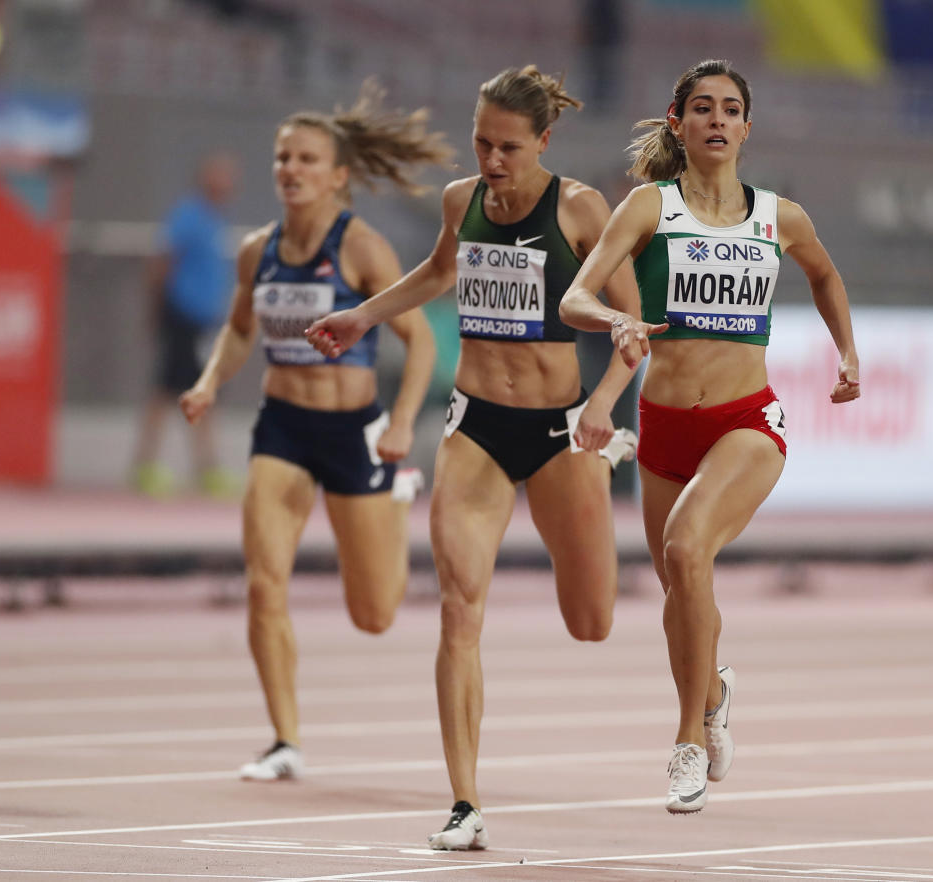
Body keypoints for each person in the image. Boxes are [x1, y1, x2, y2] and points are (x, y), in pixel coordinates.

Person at [306, 65, 641, 850]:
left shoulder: (582, 210)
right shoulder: (462, 201)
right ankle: (464, 801)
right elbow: (436, 271)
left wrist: (600, 407)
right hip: (476, 430)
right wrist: (362, 316)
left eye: (510, 148)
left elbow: (633, 325)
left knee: (591, 622)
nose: (493, 161)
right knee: (459, 610)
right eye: (482, 143)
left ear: (543, 143)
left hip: (563, 433)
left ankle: (607, 462)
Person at [559, 59, 861, 814]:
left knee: (688, 550)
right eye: (702, 108)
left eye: (730, 109)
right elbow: (575, 296)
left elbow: (824, 275)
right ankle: (715, 684)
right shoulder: (648, 208)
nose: (717, 120)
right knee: (679, 590)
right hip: (661, 424)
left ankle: (687, 739)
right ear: (678, 121)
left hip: (746, 421)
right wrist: (616, 319)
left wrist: (847, 351)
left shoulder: (778, 216)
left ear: (746, 128)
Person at [179, 81, 451, 781]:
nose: (290, 170)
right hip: (284, 429)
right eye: (281, 158)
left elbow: (419, 344)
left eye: (305, 159)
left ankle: (396, 496)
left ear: (337, 176)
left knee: (375, 615)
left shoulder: (362, 248)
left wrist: (399, 425)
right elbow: (240, 333)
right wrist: (211, 382)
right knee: (263, 584)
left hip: (355, 432)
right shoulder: (256, 251)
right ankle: (284, 739)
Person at [131, 151, 240, 498]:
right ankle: (145, 465)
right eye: (218, 175)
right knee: (166, 390)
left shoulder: (214, 220)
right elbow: (163, 260)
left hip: (205, 323)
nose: (225, 183)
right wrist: (157, 311)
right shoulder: (188, 216)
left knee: (205, 394)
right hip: (182, 318)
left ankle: (206, 467)